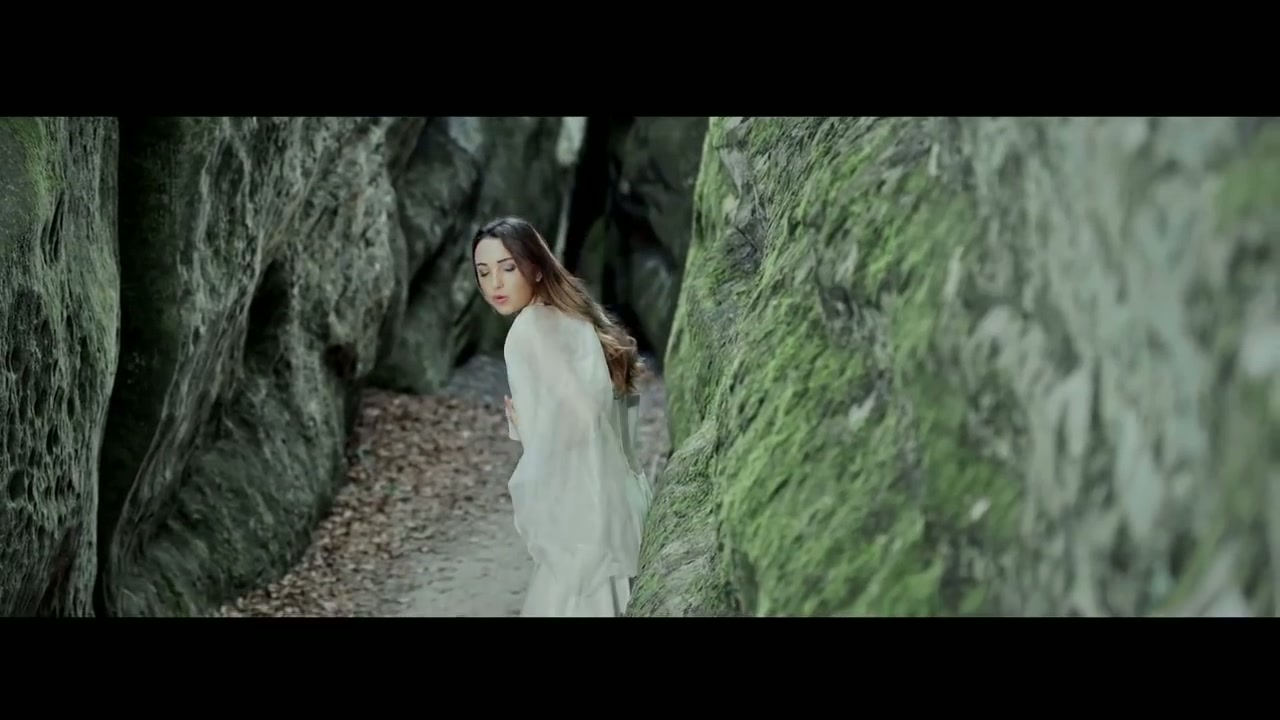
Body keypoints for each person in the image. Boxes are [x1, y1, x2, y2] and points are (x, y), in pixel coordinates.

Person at [470, 216, 654, 617]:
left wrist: (530, 431)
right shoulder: (572, 315)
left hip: (584, 522)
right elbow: (603, 410)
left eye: (507, 268)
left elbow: (584, 416)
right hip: (617, 503)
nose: (495, 283)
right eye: (483, 272)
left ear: (536, 267)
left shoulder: (528, 330)